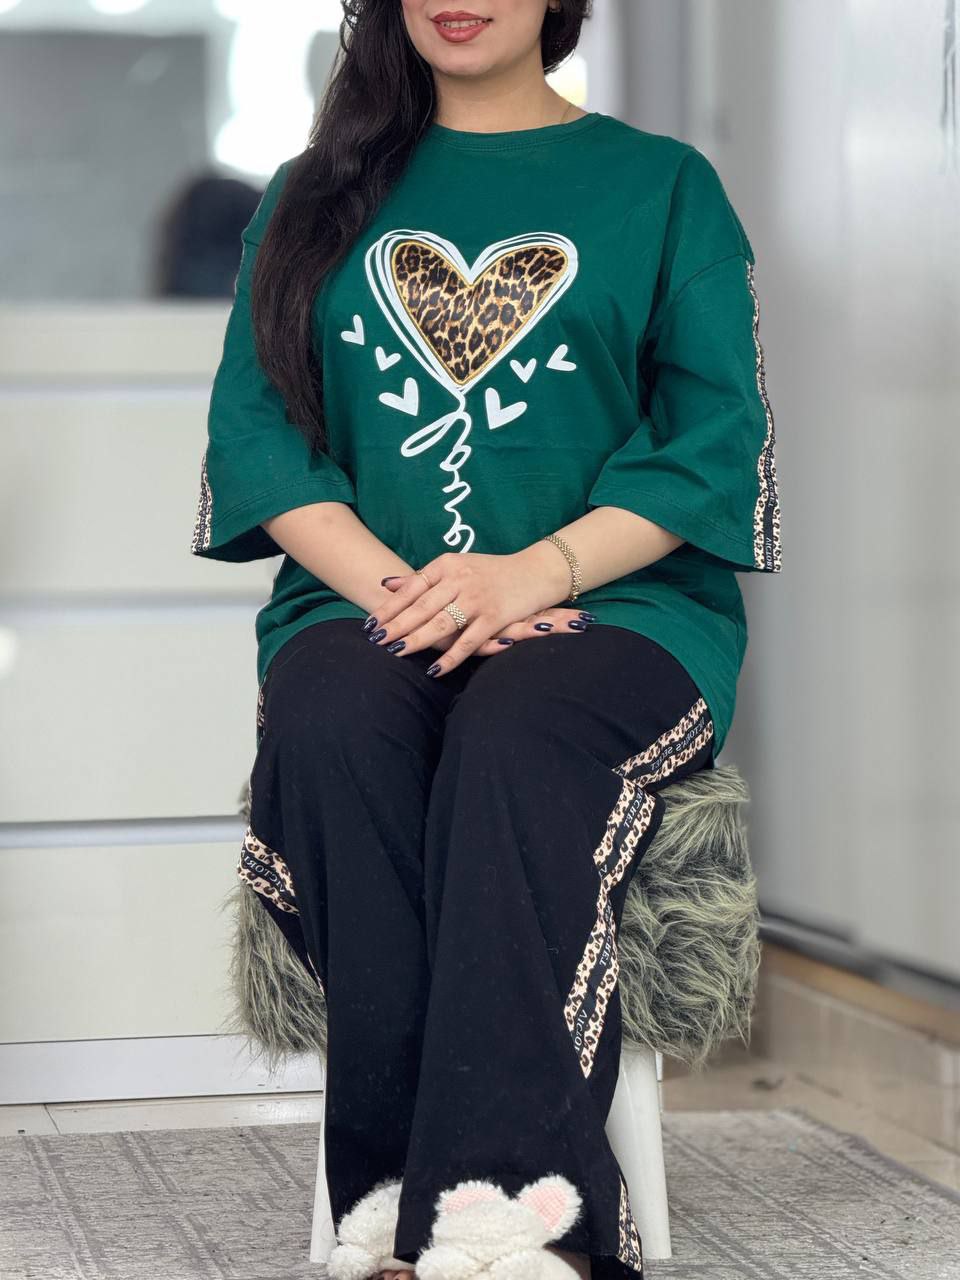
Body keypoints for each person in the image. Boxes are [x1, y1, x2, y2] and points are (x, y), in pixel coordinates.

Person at [189, 3, 783, 1278]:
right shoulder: (310, 194)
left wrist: (529, 577)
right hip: (368, 606)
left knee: (519, 728)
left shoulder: (662, 187)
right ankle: (391, 1194)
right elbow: (258, 438)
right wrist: (418, 596)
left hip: (620, 613)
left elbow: (711, 443)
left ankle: (509, 1212)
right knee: (335, 716)